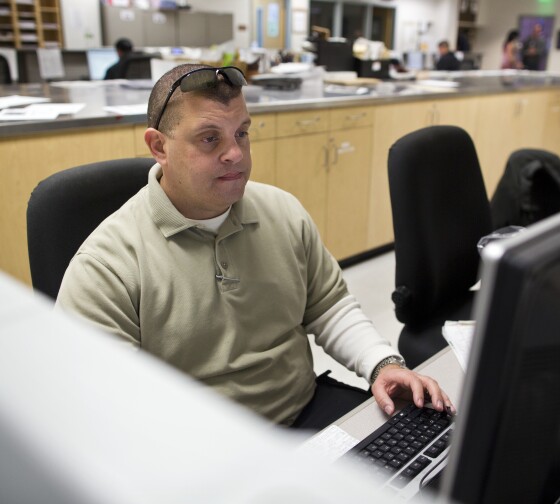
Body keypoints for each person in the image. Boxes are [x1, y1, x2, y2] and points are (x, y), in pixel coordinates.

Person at [56, 63, 454, 431]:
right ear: (159, 146)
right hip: (192, 449)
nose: (235, 154)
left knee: (432, 461)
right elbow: (106, 409)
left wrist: (382, 365)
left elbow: (329, 307)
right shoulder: (105, 266)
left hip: (303, 410)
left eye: (241, 133)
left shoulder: (282, 210)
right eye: (209, 139)